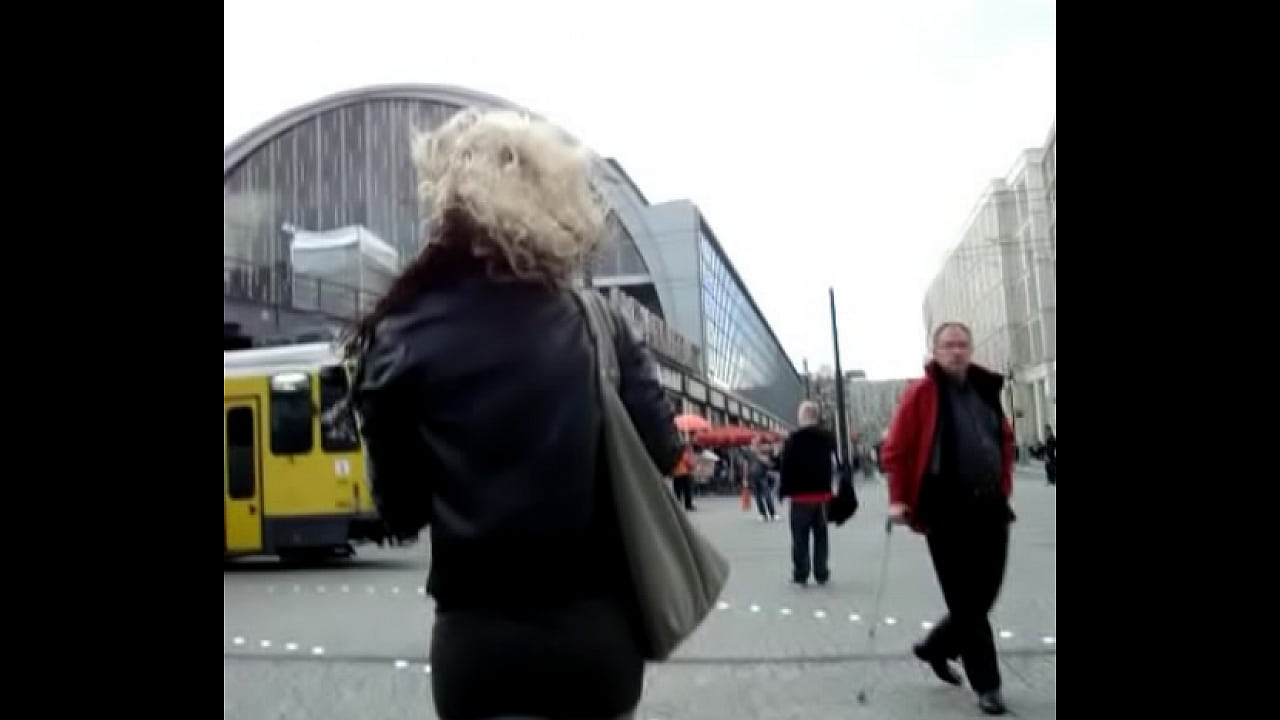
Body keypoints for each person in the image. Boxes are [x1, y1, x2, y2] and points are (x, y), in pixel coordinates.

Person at [345, 108, 681, 720]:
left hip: (479, 644)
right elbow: (664, 452)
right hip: (595, 634)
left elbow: (400, 510)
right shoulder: (600, 323)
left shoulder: (400, 333)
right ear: (560, 202)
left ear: (446, 201)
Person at [882, 322, 1016, 716]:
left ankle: (936, 647)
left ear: (970, 349)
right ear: (935, 350)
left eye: (962, 344)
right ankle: (988, 685)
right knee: (966, 601)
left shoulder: (985, 389)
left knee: (985, 595)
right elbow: (896, 451)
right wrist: (897, 501)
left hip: (990, 505)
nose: (956, 351)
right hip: (945, 510)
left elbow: (1003, 438)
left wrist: (1004, 482)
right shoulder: (921, 394)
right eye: (948, 345)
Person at [778, 401, 837, 586]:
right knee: (821, 536)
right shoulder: (828, 439)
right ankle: (821, 571)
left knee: (800, 538)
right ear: (816, 417)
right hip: (822, 497)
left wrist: (783, 491)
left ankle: (801, 572)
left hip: (800, 497)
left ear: (802, 416)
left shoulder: (793, 440)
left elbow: (785, 467)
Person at [747, 437, 778, 521]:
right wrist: (745, 478)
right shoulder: (749, 452)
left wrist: (760, 455)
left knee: (767, 495)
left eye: (755, 443)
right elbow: (746, 464)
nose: (753, 444)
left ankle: (773, 513)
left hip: (762, 475)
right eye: (752, 442)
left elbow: (770, 463)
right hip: (753, 476)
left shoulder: (764, 451)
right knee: (757, 497)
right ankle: (762, 514)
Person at [672, 442, 697, 510]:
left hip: (676, 474)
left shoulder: (675, 454)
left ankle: (678, 505)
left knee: (677, 491)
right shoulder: (685, 454)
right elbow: (690, 463)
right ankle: (688, 505)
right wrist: (693, 467)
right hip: (685, 474)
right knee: (687, 490)